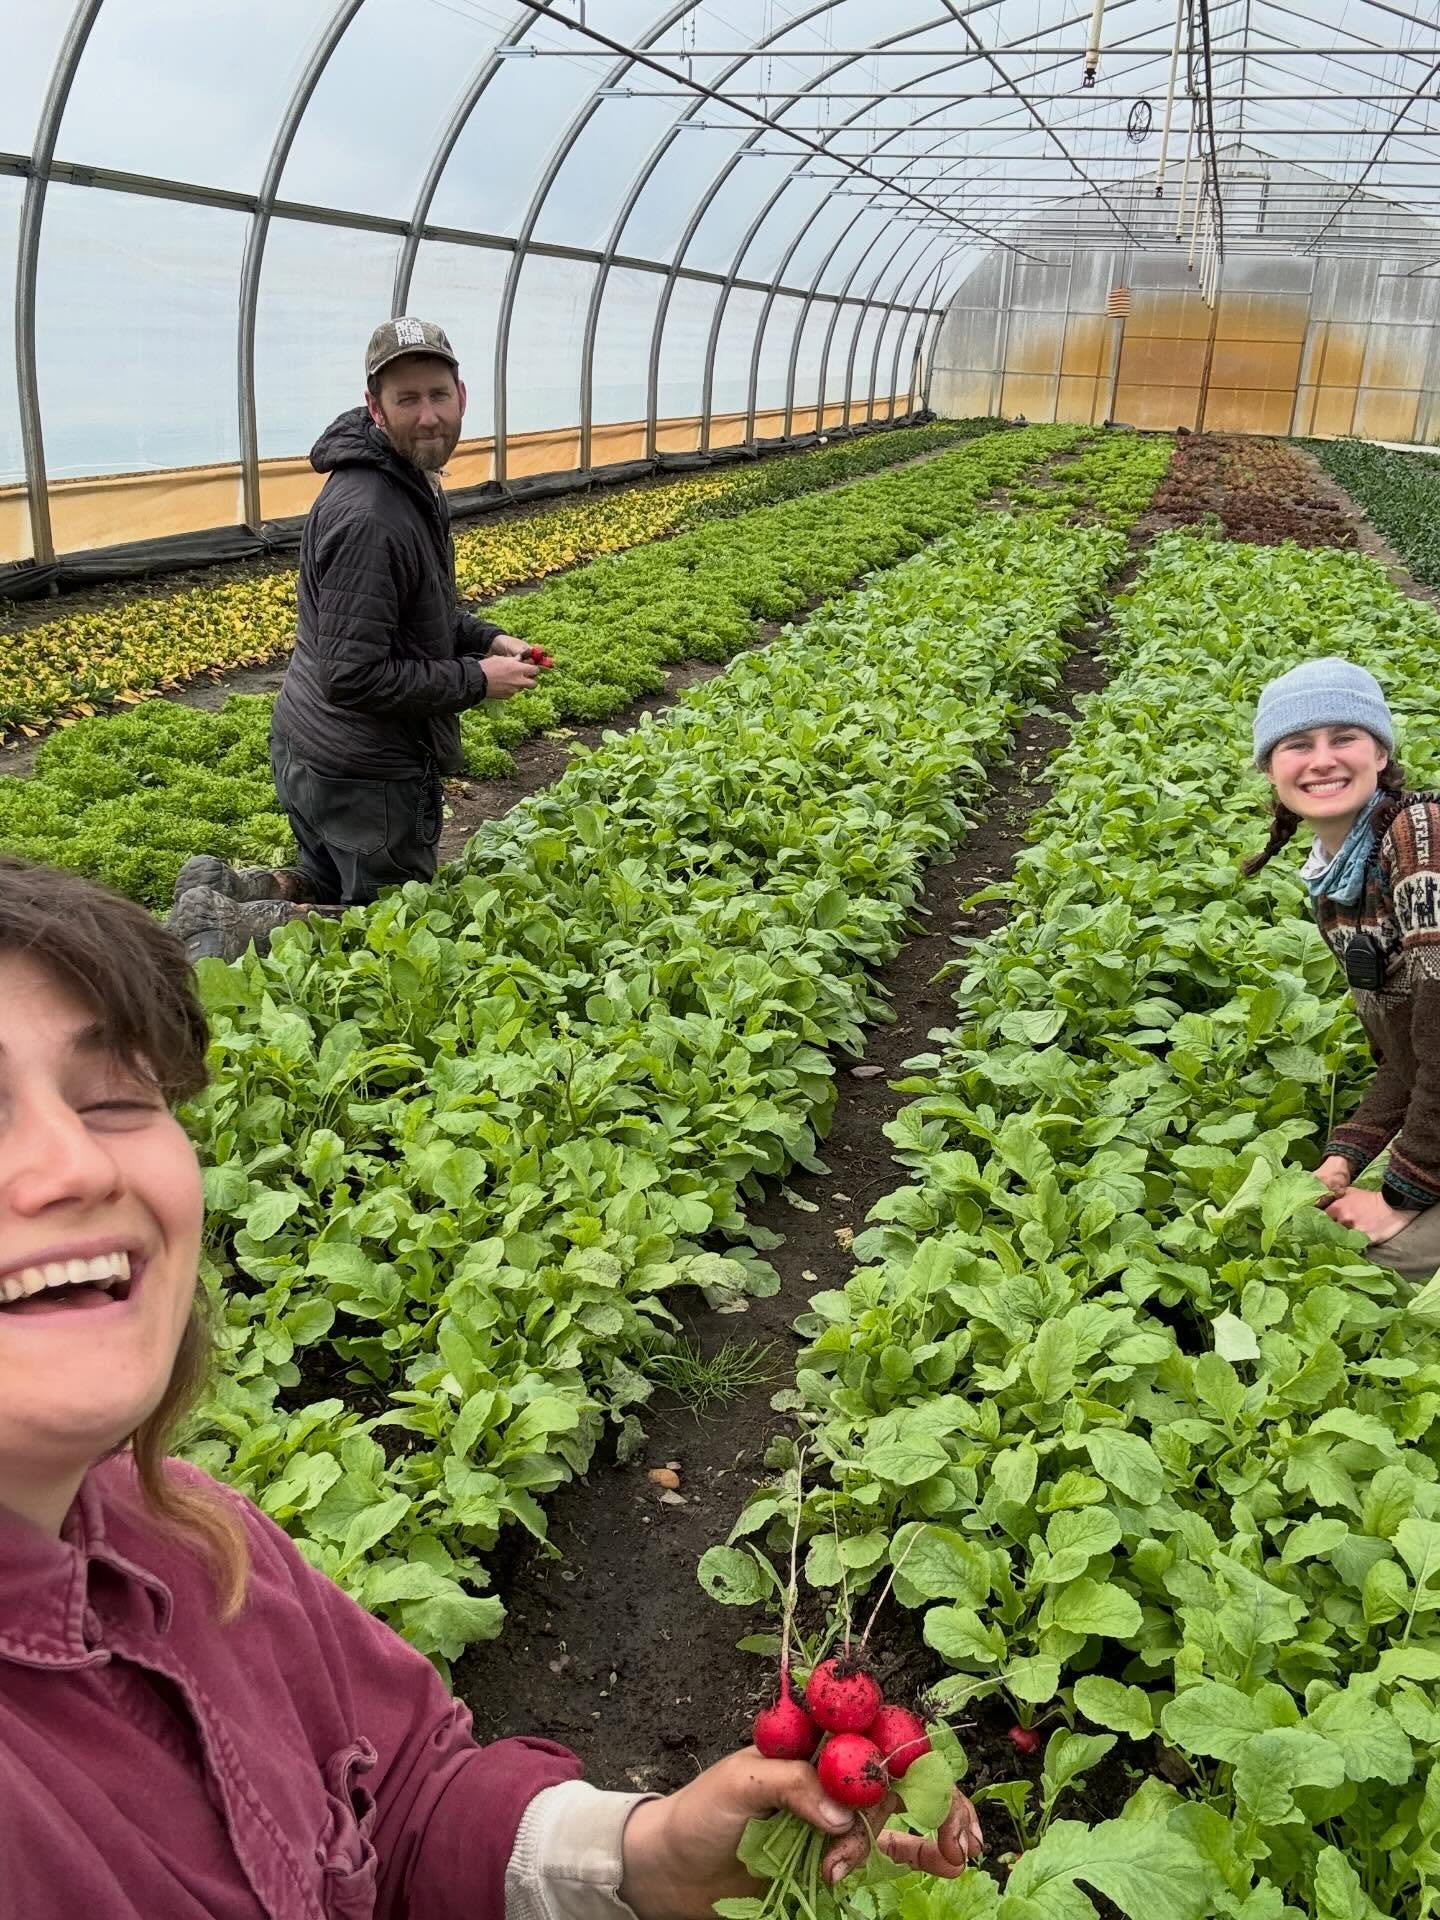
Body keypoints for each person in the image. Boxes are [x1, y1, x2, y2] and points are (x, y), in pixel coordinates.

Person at [0, 853, 984, 1918]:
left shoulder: (198, 1543)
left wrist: (648, 1856)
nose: (79, 1167)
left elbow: (407, 1804)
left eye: (112, 1098)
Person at [169, 319, 538, 965]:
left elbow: (416, 610)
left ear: (462, 395)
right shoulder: (370, 512)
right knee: (383, 930)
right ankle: (241, 929)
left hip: (324, 752)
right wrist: (477, 680)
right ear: (375, 407)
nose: (429, 416)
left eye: (438, 395)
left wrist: (488, 638)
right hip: (361, 768)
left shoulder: (403, 479)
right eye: (407, 400)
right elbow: (356, 675)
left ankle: (230, 893)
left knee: (332, 876)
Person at [1247, 658, 1440, 1282]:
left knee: (1389, 1261)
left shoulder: (1421, 837)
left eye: (1344, 738)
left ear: (1381, 753)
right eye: (1298, 744)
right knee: (1331, 1228)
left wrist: (1398, 1196)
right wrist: (1346, 1155)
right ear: (1272, 769)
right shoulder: (1338, 883)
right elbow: (1408, 1058)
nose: (1322, 760)